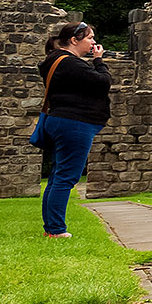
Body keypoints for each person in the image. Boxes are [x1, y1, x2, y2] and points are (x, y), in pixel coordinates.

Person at [33, 21, 111, 238]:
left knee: (58, 175)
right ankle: (56, 230)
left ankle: (52, 228)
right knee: (66, 177)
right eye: (89, 38)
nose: (93, 42)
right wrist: (98, 60)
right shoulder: (69, 63)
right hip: (74, 123)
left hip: (63, 121)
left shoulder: (57, 60)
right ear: (74, 40)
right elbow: (102, 83)